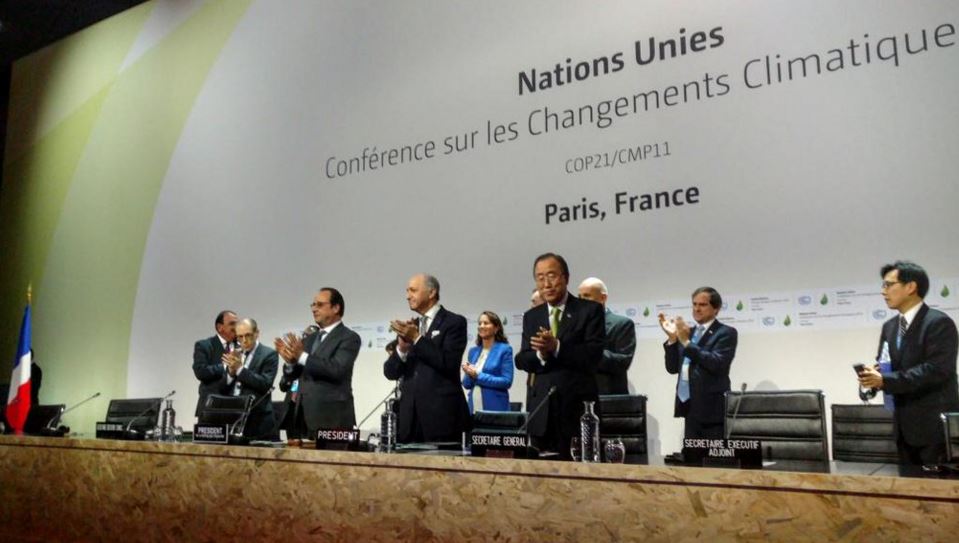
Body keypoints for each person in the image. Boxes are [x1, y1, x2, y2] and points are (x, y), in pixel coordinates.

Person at [859, 261, 959, 465]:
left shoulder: (938, 322)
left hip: (933, 429)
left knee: (935, 493)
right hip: (903, 429)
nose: (883, 291)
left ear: (911, 287)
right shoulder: (890, 326)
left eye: (888, 285)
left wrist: (885, 380)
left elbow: (936, 370)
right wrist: (872, 378)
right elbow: (886, 365)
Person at [516, 253, 604, 459]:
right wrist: (541, 354)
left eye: (551, 276)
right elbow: (522, 359)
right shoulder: (532, 316)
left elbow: (592, 356)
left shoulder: (589, 310)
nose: (546, 284)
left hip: (577, 412)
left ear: (566, 278)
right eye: (540, 278)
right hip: (541, 413)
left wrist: (557, 347)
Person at [384, 274, 471, 443]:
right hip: (409, 420)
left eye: (413, 290)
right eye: (407, 291)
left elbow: (448, 364)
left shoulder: (454, 322)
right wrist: (401, 348)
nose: (408, 296)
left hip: (441, 418)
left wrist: (417, 339)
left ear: (431, 293)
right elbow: (390, 373)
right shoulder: (412, 326)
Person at [275, 288, 361, 433]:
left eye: (320, 305)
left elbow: (336, 369)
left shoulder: (349, 337)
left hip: (331, 418)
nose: (314, 309)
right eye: (313, 305)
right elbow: (296, 375)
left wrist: (301, 356)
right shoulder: (310, 339)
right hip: (300, 416)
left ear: (336, 308)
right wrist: (291, 362)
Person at [660, 287, 738, 441]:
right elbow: (672, 368)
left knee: (713, 462)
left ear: (716, 308)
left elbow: (717, 363)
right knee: (691, 460)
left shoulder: (726, 332)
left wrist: (686, 343)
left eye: (703, 305)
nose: (697, 309)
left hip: (712, 409)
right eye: (694, 304)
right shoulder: (688, 333)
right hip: (689, 406)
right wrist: (672, 339)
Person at [578, 278, 636, 395]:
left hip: (609, 399)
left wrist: (589, 351)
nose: (582, 301)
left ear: (603, 298)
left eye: (587, 296)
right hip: (577, 398)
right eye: (579, 297)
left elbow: (623, 362)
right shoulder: (574, 326)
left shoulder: (622, 324)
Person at [221, 318, 278, 439]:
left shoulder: (269, 354)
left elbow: (265, 384)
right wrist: (231, 373)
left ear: (257, 333)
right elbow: (222, 388)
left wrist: (240, 370)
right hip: (234, 417)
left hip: (258, 419)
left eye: (248, 335)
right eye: (240, 337)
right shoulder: (235, 354)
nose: (244, 340)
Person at [462, 311, 514, 413]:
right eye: (480, 323)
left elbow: (506, 381)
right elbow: (466, 384)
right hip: (473, 407)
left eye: (486, 323)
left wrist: (478, 375)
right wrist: (468, 373)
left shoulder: (504, 350)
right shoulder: (473, 351)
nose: (481, 326)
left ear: (496, 328)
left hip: (495, 407)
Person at [192, 310, 238, 417]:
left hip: (236, 409)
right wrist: (227, 366)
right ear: (219, 327)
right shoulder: (204, 345)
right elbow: (201, 372)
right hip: (211, 408)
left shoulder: (242, 347)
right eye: (232, 324)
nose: (236, 327)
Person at [276, 324, 317, 440]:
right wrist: (290, 365)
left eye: (309, 336)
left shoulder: (316, 361)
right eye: (304, 336)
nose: (304, 339)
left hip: (308, 411)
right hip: (292, 409)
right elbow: (283, 386)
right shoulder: (294, 360)